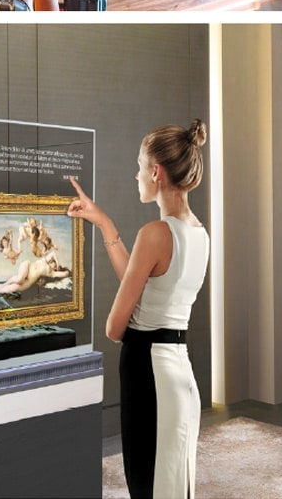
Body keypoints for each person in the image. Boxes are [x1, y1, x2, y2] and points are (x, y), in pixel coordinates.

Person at [66, 120, 209, 499]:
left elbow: (114, 328)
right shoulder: (200, 234)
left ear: (156, 172)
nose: (136, 175)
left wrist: (127, 318)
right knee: (174, 487)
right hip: (179, 375)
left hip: (148, 377)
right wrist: (104, 223)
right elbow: (147, 285)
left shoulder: (155, 234)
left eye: (139, 166)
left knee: (147, 487)